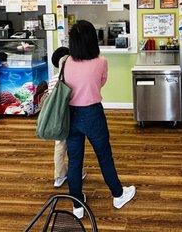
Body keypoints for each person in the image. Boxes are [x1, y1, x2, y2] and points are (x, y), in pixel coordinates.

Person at [64, 20, 135, 218]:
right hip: (92, 113)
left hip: (71, 114)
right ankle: (118, 194)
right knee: (104, 156)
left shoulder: (66, 61)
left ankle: (77, 205)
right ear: (92, 40)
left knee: (74, 160)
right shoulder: (101, 61)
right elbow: (101, 82)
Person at [47, 46, 87, 188]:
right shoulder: (73, 78)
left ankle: (59, 176)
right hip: (72, 116)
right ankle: (77, 173)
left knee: (59, 146)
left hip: (57, 118)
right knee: (75, 146)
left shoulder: (52, 79)